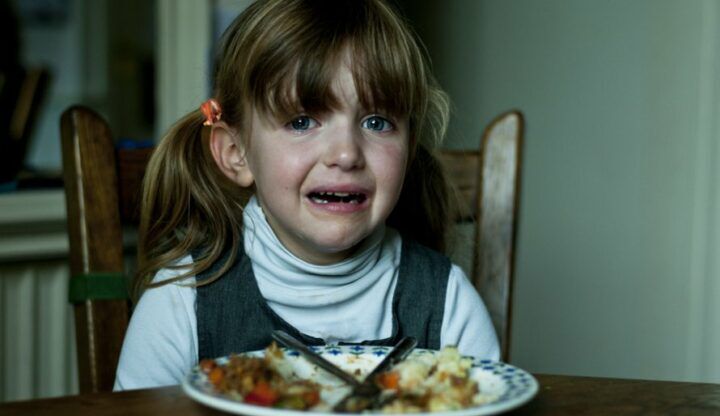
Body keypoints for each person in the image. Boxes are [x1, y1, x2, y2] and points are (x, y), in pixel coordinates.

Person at [114, 0, 499, 391]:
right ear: (236, 153)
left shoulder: (448, 302)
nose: (346, 154)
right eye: (302, 122)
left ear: (409, 146)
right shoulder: (182, 303)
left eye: (377, 122)